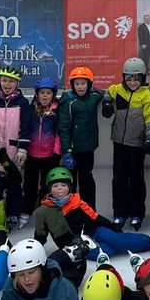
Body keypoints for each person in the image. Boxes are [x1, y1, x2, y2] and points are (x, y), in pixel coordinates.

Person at [33, 167, 150, 259]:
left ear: (69, 187)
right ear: (50, 189)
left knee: (117, 240)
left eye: (63, 185)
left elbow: (94, 216)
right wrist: (35, 251)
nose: (60, 188)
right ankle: (114, 245)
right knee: (106, 252)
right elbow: (40, 234)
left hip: (94, 230)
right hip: (76, 244)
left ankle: (147, 241)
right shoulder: (44, 211)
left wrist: (113, 228)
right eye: (55, 186)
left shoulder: (76, 202)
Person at [102, 57, 150, 228]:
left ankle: (136, 213)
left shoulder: (147, 96)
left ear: (142, 78)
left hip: (137, 144)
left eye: (136, 78)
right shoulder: (118, 90)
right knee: (119, 179)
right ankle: (120, 213)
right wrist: (106, 102)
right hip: (118, 142)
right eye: (129, 78)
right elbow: (107, 92)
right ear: (124, 77)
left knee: (136, 180)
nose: (133, 82)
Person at [57, 66, 104, 210]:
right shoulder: (68, 102)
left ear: (89, 84)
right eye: (77, 84)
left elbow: (102, 92)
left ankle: (89, 211)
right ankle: (71, 211)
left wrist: (107, 102)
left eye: (83, 83)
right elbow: (64, 128)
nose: (80, 87)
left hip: (88, 148)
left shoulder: (94, 97)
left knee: (87, 181)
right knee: (70, 181)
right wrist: (66, 151)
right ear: (72, 85)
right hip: (73, 149)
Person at [22, 77, 61, 225]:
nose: (45, 96)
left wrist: (57, 152)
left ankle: (44, 210)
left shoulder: (57, 110)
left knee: (46, 185)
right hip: (32, 154)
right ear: (37, 94)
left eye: (48, 93)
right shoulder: (31, 109)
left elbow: (58, 132)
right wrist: (24, 149)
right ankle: (27, 209)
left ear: (53, 95)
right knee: (29, 184)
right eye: (42, 93)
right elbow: (25, 128)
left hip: (49, 155)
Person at [0, 65, 31, 166]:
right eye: (4, 80)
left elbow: (25, 126)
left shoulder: (23, 102)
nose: (7, 84)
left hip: (14, 149)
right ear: (0, 82)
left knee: (13, 177)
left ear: (17, 83)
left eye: (11, 81)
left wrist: (23, 149)